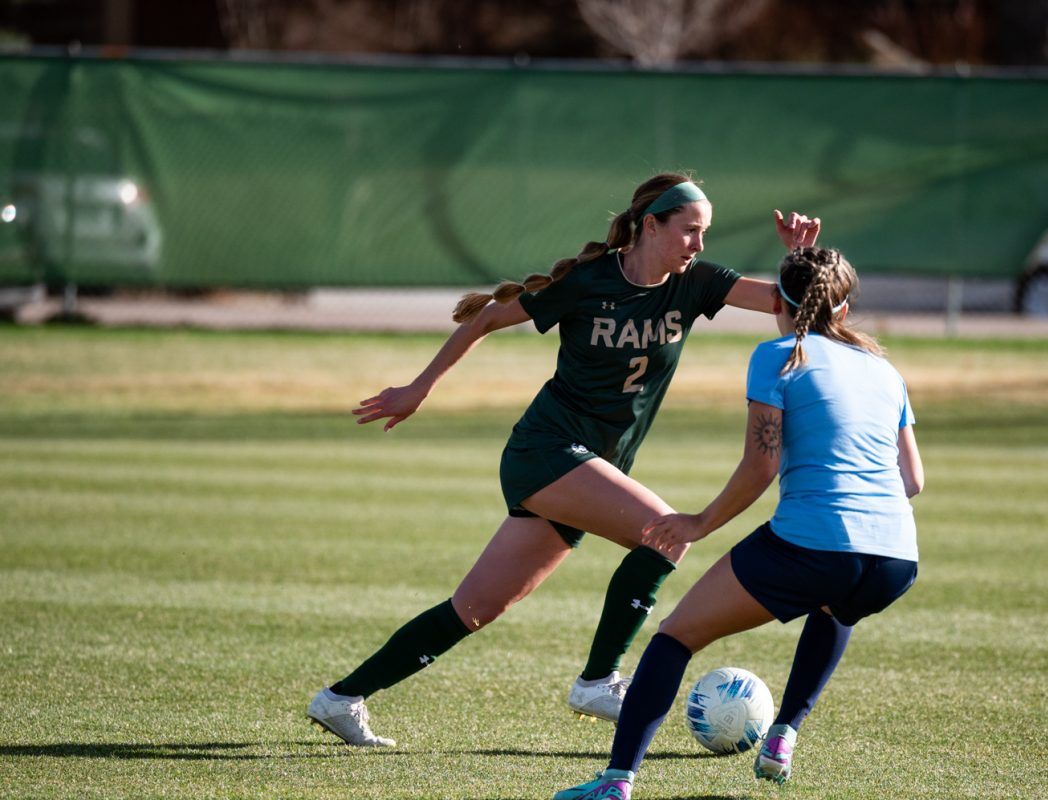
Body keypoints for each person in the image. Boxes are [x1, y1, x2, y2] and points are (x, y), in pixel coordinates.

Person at [305, 172, 822, 746]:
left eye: (704, 234)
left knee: (473, 608)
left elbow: (792, 310)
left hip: (593, 465)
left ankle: (341, 699)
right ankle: (599, 680)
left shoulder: (695, 282)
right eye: (689, 231)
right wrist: (419, 388)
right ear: (651, 225)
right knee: (667, 532)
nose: (699, 245)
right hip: (545, 449)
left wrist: (799, 259)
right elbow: (486, 318)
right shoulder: (589, 281)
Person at [554, 245, 924, 800]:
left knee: (675, 637)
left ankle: (615, 783)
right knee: (836, 604)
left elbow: (762, 463)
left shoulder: (776, 355)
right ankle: (783, 736)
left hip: (811, 547)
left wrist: (698, 523)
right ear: (844, 309)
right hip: (896, 559)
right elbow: (912, 479)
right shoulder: (885, 369)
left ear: (777, 301)